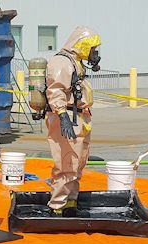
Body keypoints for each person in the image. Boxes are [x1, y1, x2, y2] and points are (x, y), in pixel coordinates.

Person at [45, 26, 101, 216]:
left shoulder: (75, 62)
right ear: (83, 45)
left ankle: (70, 201)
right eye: (92, 49)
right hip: (68, 117)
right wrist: (62, 116)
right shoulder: (62, 62)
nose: (95, 53)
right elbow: (55, 90)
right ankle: (57, 206)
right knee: (67, 163)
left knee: (78, 162)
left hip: (78, 116)